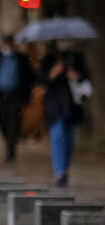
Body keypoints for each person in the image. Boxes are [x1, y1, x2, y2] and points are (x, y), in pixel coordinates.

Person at [40, 47, 91, 187]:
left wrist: (75, 75)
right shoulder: (49, 59)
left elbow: (86, 79)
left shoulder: (76, 58)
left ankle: (65, 170)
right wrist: (54, 72)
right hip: (55, 108)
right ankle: (59, 172)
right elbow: (42, 80)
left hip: (72, 107)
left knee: (69, 140)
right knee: (57, 137)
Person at [0, 34, 36, 162]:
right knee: (1, 120)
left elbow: (29, 76)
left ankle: (11, 148)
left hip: (15, 95)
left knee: (14, 121)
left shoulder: (21, 58)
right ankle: (8, 141)